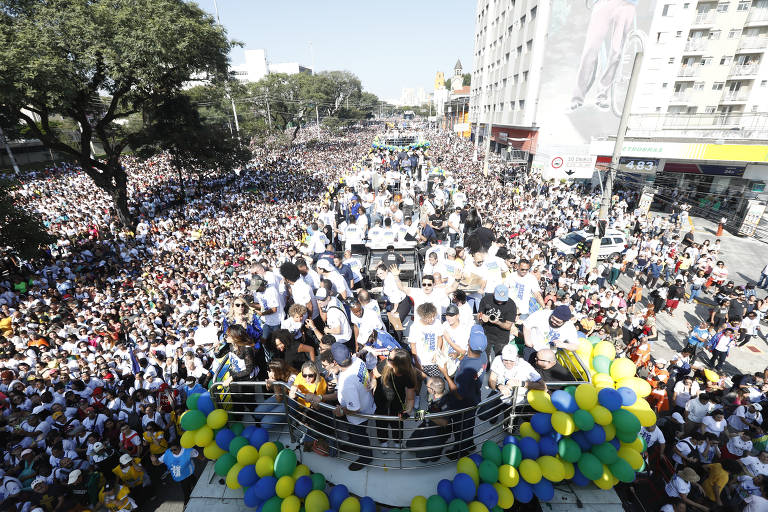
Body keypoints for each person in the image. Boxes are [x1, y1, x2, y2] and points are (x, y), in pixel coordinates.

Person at [438, 325, 488, 459]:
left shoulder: (467, 370)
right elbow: (469, 356)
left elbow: (458, 393)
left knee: (460, 428)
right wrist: (459, 355)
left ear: (469, 344)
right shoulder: (483, 355)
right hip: (474, 398)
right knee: (469, 424)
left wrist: (445, 374)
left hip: (462, 404)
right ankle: (470, 443)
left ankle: (459, 451)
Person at [330, 342, 375, 471]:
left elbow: (355, 409)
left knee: (359, 436)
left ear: (335, 362)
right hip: (367, 401)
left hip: (358, 417)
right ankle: (354, 445)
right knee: (354, 435)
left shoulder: (347, 382)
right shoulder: (358, 361)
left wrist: (341, 412)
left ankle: (366, 456)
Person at [373, 348, 417, 448]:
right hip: (381, 400)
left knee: (397, 423)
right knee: (381, 423)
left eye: (390, 358)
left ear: (398, 364)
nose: (386, 358)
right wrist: (373, 384)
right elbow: (375, 374)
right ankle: (383, 441)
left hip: (397, 403)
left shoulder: (409, 374)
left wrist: (408, 411)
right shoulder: (385, 364)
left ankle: (398, 441)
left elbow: (410, 399)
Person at [477, 285, 517, 357]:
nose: (500, 301)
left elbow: (508, 326)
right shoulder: (486, 299)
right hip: (486, 333)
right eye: (498, 298)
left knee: (500, 357)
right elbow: (479, 314)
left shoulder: (511, 305)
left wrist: (498, 322)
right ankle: (485, 368)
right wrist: (481, 317)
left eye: (503, 299)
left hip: (501, 336)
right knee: (484, 357)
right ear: (494, 293)